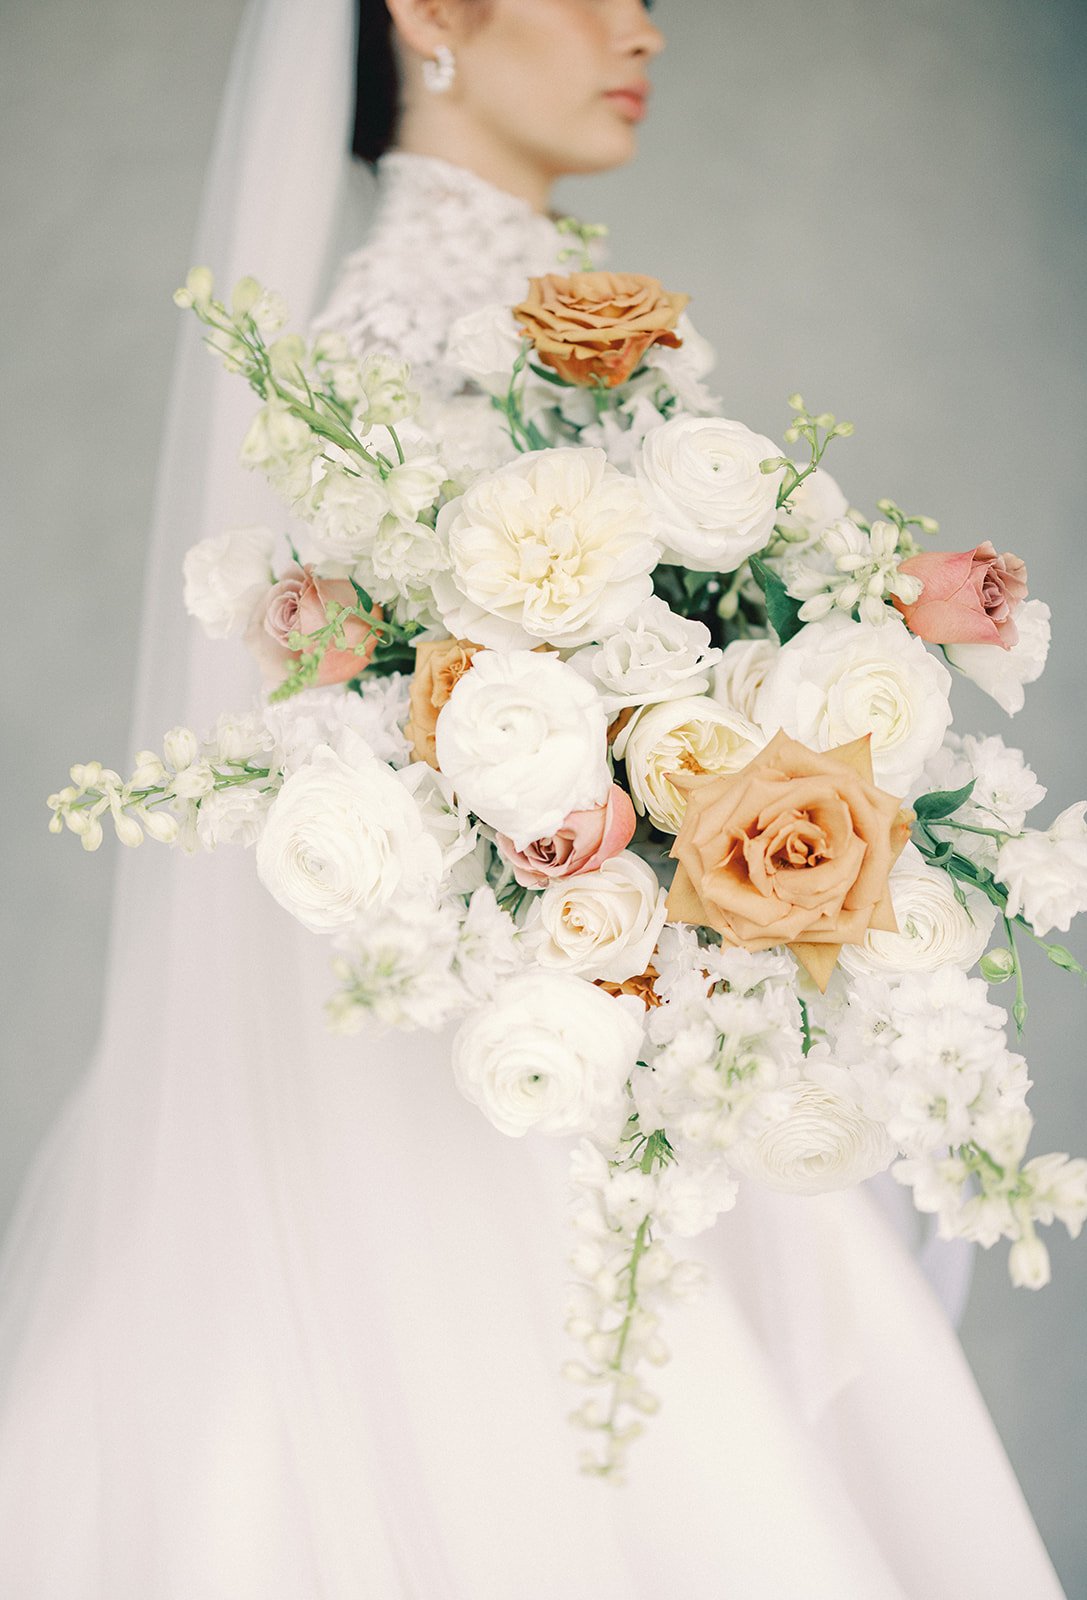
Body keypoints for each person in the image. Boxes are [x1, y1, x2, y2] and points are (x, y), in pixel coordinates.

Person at [0, 1, 1069, 1594]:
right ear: (433, 12)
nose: (641, 24)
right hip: (503, 1093)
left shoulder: (557, 328)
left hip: (629, 1043)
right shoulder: (389, 358)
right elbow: (418, 783)